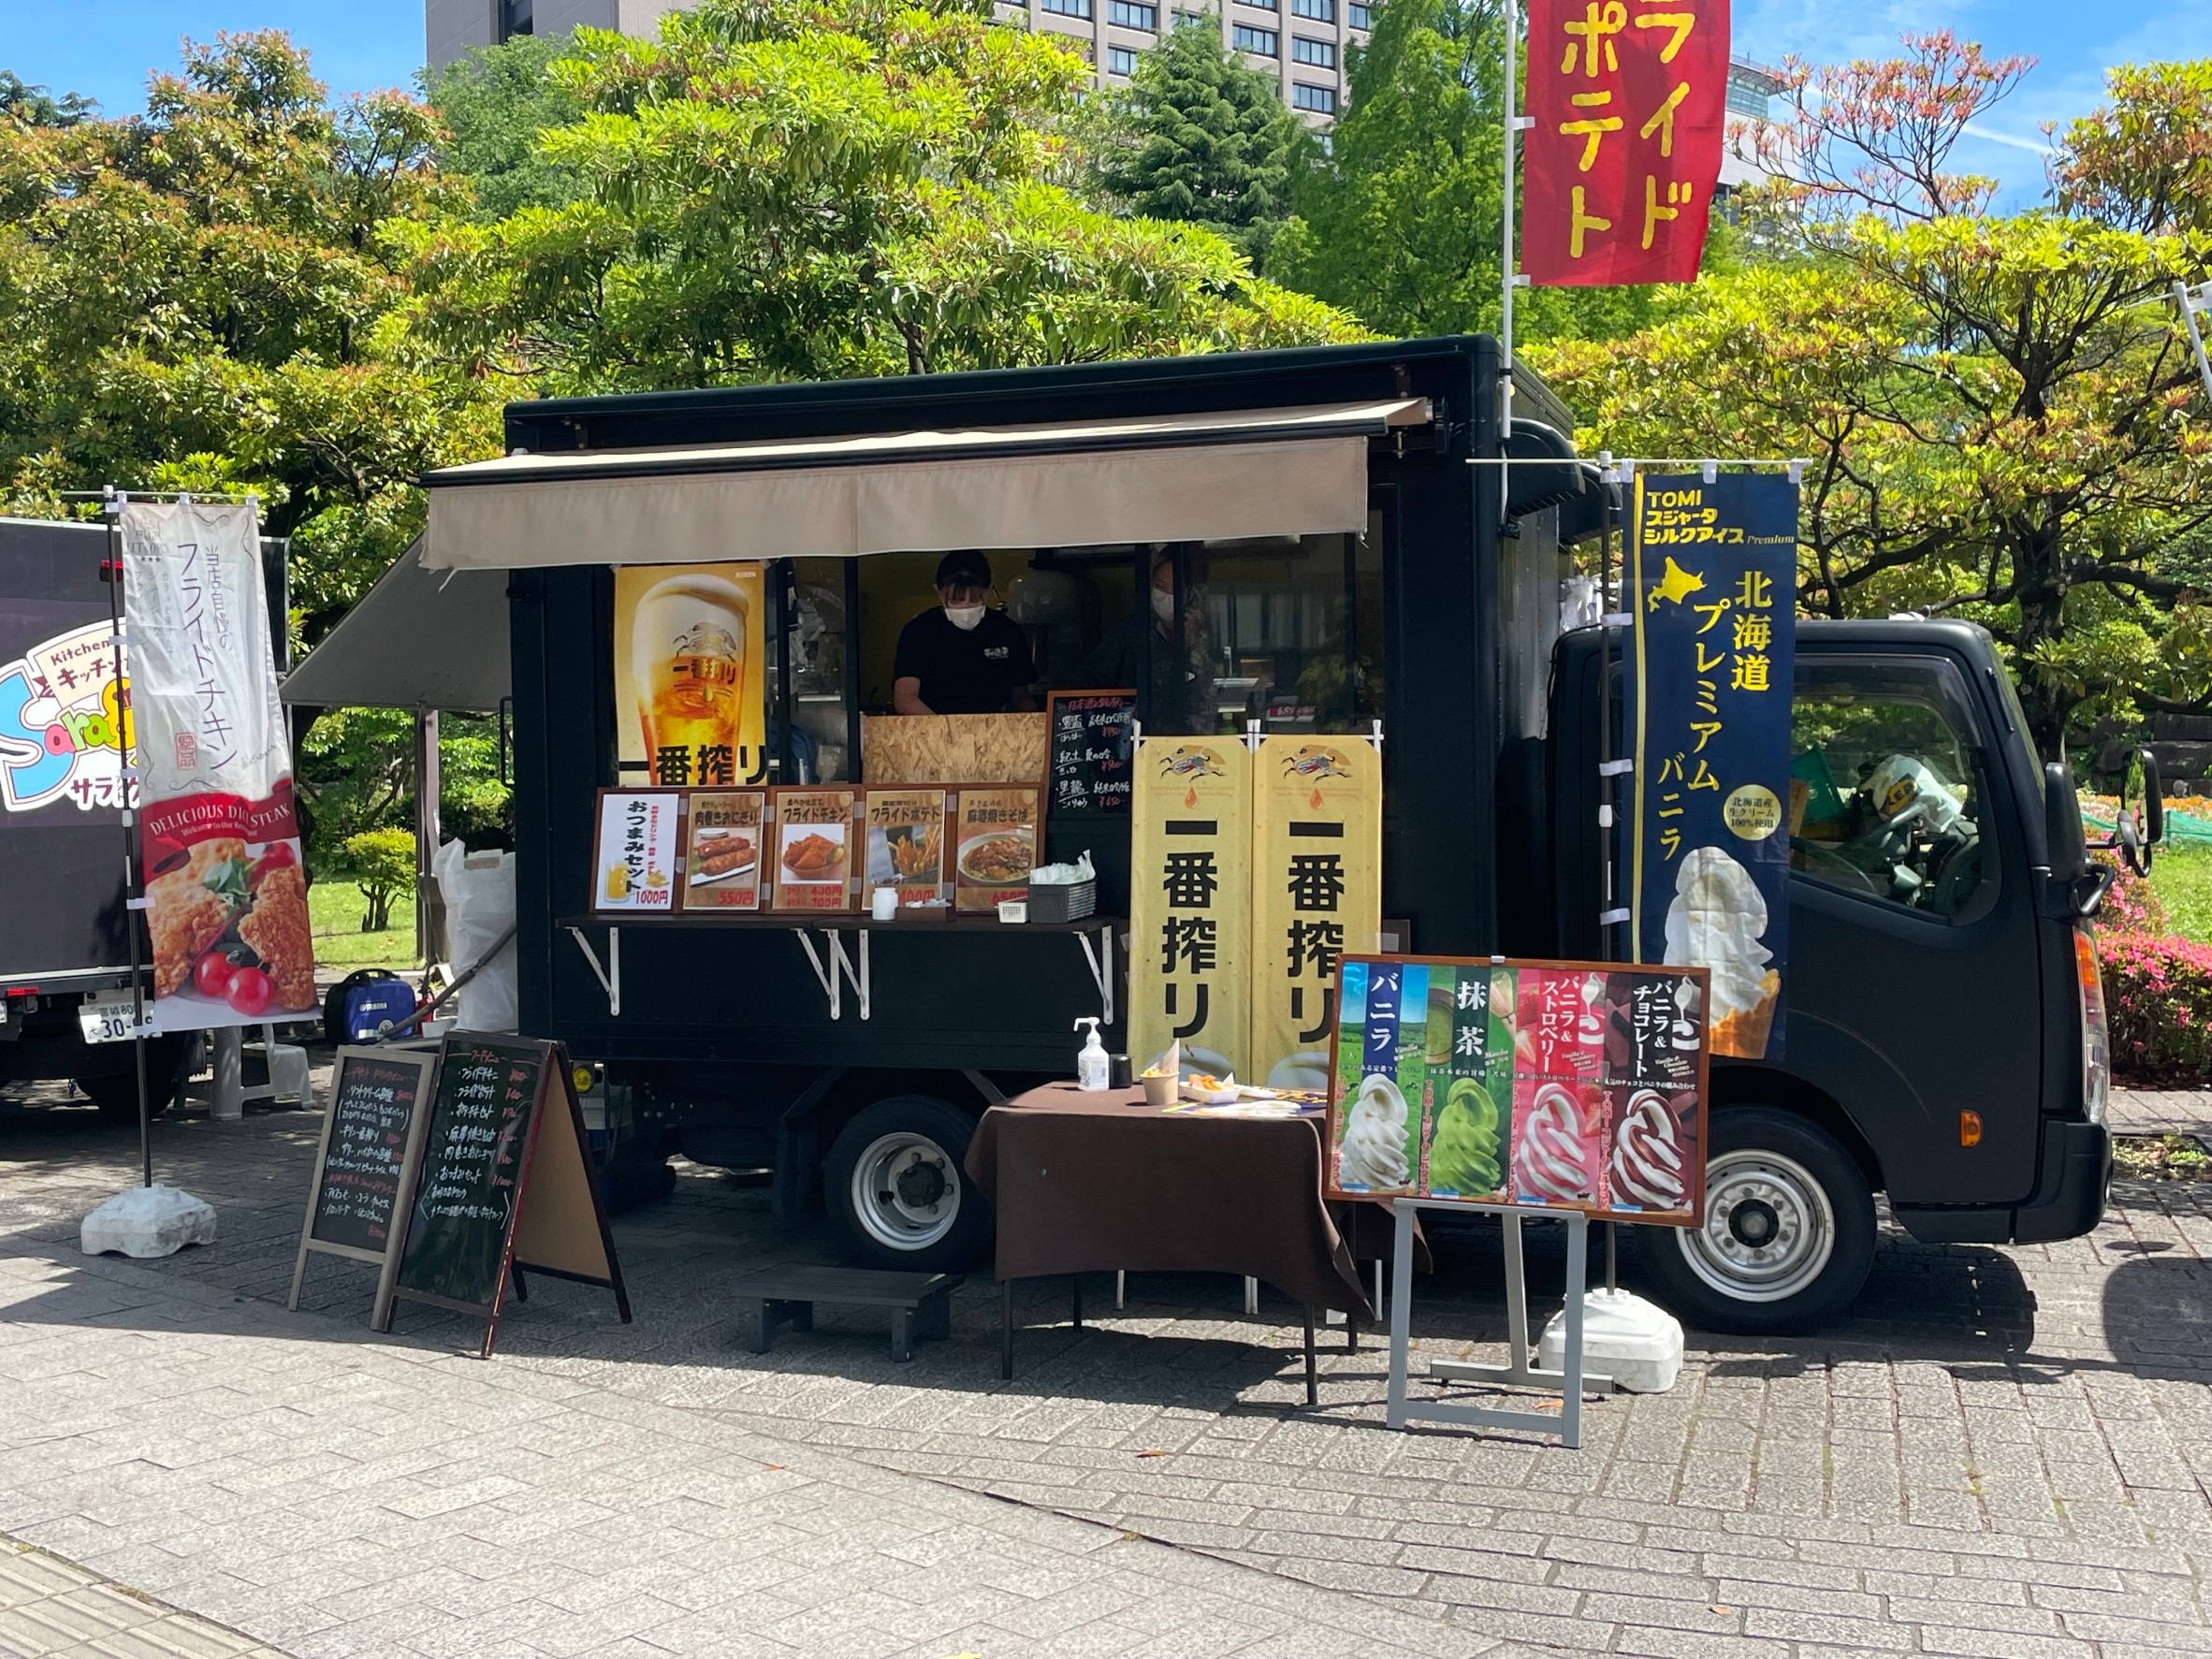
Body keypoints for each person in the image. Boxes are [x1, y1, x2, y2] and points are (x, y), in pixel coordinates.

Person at [1070, 551, 1215, 734]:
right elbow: (1089, 680)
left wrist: (1189, 648)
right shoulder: (1131, 632)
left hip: (1192, 738)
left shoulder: (1205, 637)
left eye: (1175, 589)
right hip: (1135, 739)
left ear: (1189, 595)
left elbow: (1208, 696)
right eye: (1160, 586)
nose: (1166, 595)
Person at [892, 550, 1038, 715]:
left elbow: (1021, 698)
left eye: (975, 599)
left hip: (993, 726)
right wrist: (944, 729)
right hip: (932, 725)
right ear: (939, 592)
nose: (966, 606)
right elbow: (905, 699)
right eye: (956, 600)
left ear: (988, 589)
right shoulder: (919, 632)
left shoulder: (1006, 631)